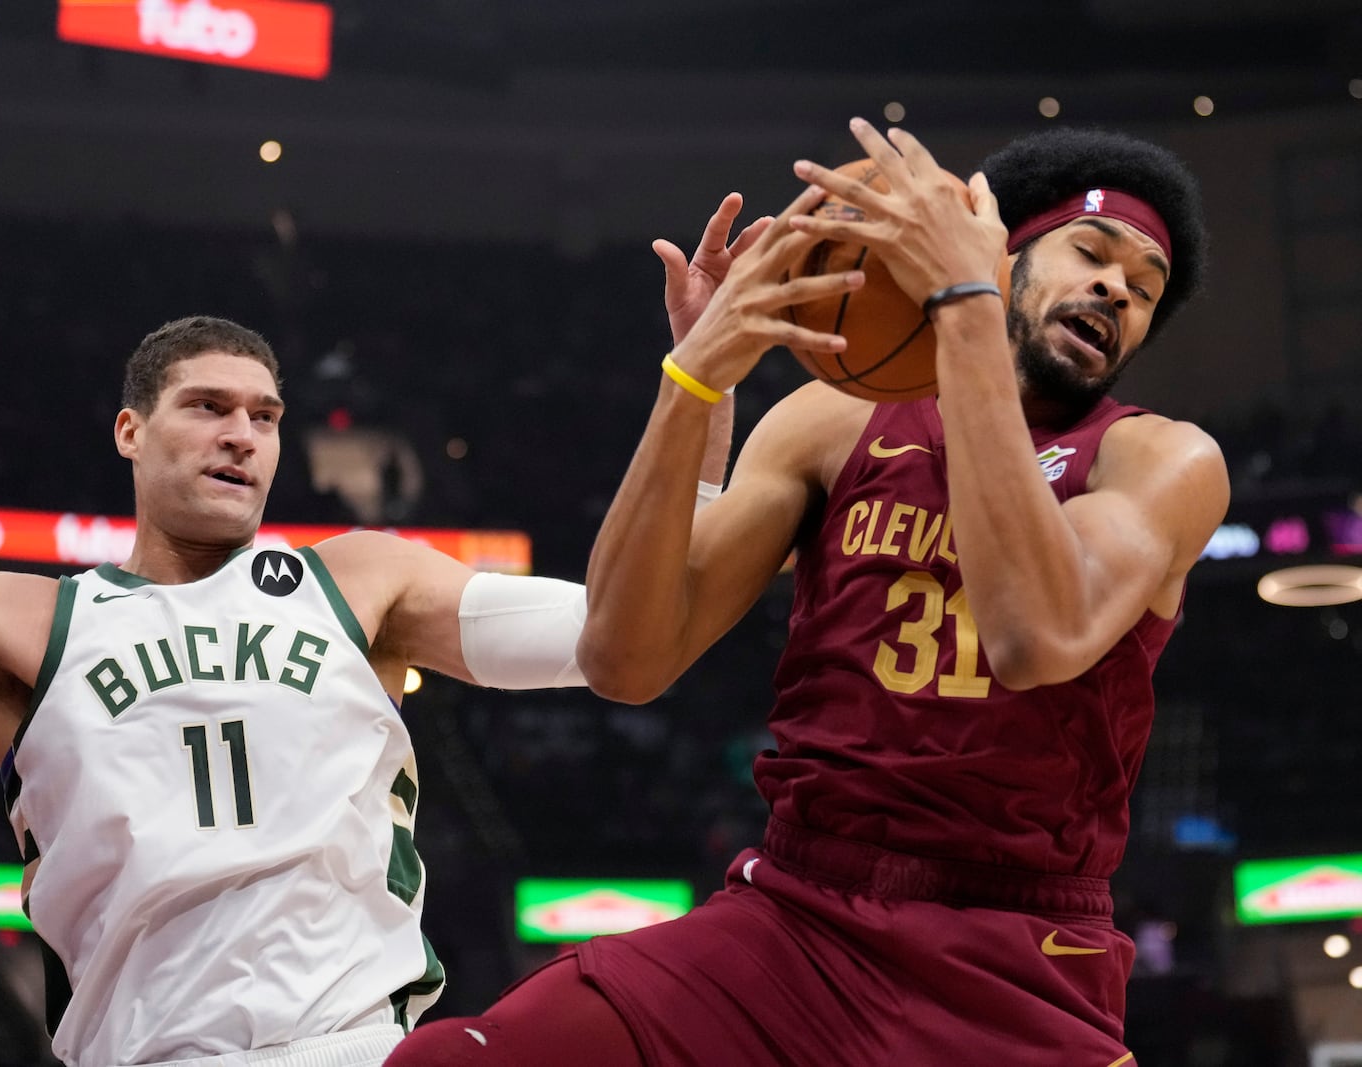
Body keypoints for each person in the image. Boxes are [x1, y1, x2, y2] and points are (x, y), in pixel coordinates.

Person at [0, 174, 794, 1067]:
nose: (242, 435)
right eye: (207, 406)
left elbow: (632, 633)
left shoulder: (363, 582)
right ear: (130, 429)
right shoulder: (17, 618)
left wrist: (699, 385)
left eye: (264, 415)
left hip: (358, 1042)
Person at [385, 121, 1227, 1066]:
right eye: (1093, 253)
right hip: (798, 914)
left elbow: (1035, 634)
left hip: (1014, 947)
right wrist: (696, 378)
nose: (1119, 288)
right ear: (1005, 247)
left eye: (1146, 289)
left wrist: (964, 308)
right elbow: (625, 657)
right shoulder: (832, 422)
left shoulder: (1160, 459)